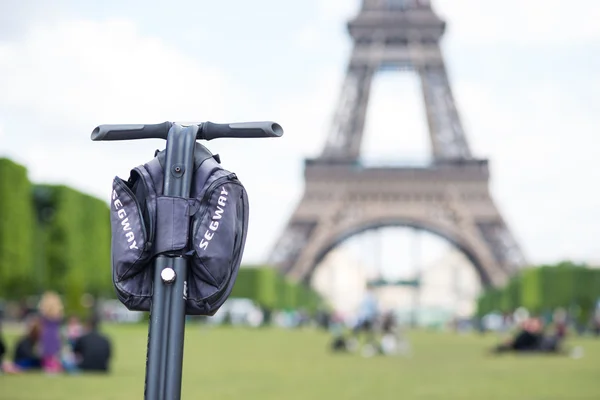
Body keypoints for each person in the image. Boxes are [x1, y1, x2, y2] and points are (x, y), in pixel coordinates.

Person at [38, 291, 65, 373]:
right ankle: (53, 366)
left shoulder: (44, 312)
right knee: (53, 352)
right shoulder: (58, 313)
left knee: (47, 351)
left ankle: (48, 366)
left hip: (46, 333)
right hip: (54, 333)